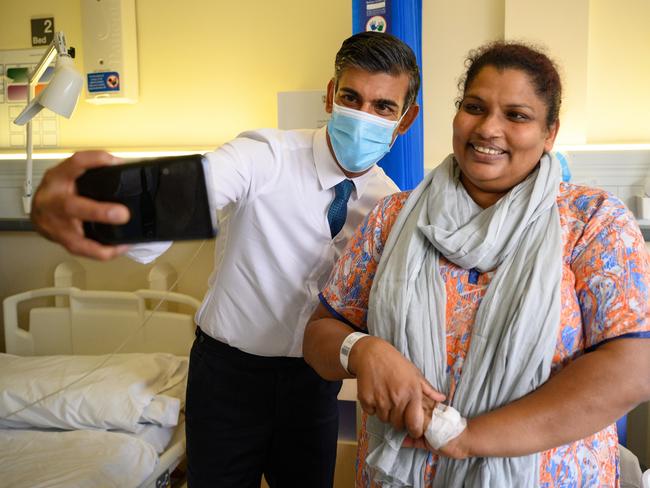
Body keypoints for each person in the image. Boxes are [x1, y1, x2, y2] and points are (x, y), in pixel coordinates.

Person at [30, 32, 421, 487]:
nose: (362, 117)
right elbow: (200, 184)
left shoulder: (389, 206)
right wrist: (101, 206)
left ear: (405, 120)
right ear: (331, 95)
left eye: (382, 108)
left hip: (312, 386)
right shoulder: (265, 156)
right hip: (228, 378)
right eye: (352, 98)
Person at [303, 41, 650, 487]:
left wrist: (469, 438)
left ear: (549, 133)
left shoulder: (592, 223)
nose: (489, 128)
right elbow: (319, 335)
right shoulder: (392, 218)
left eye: (517, 115)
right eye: (475, 107)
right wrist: (363, 350)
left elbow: (632, 369)